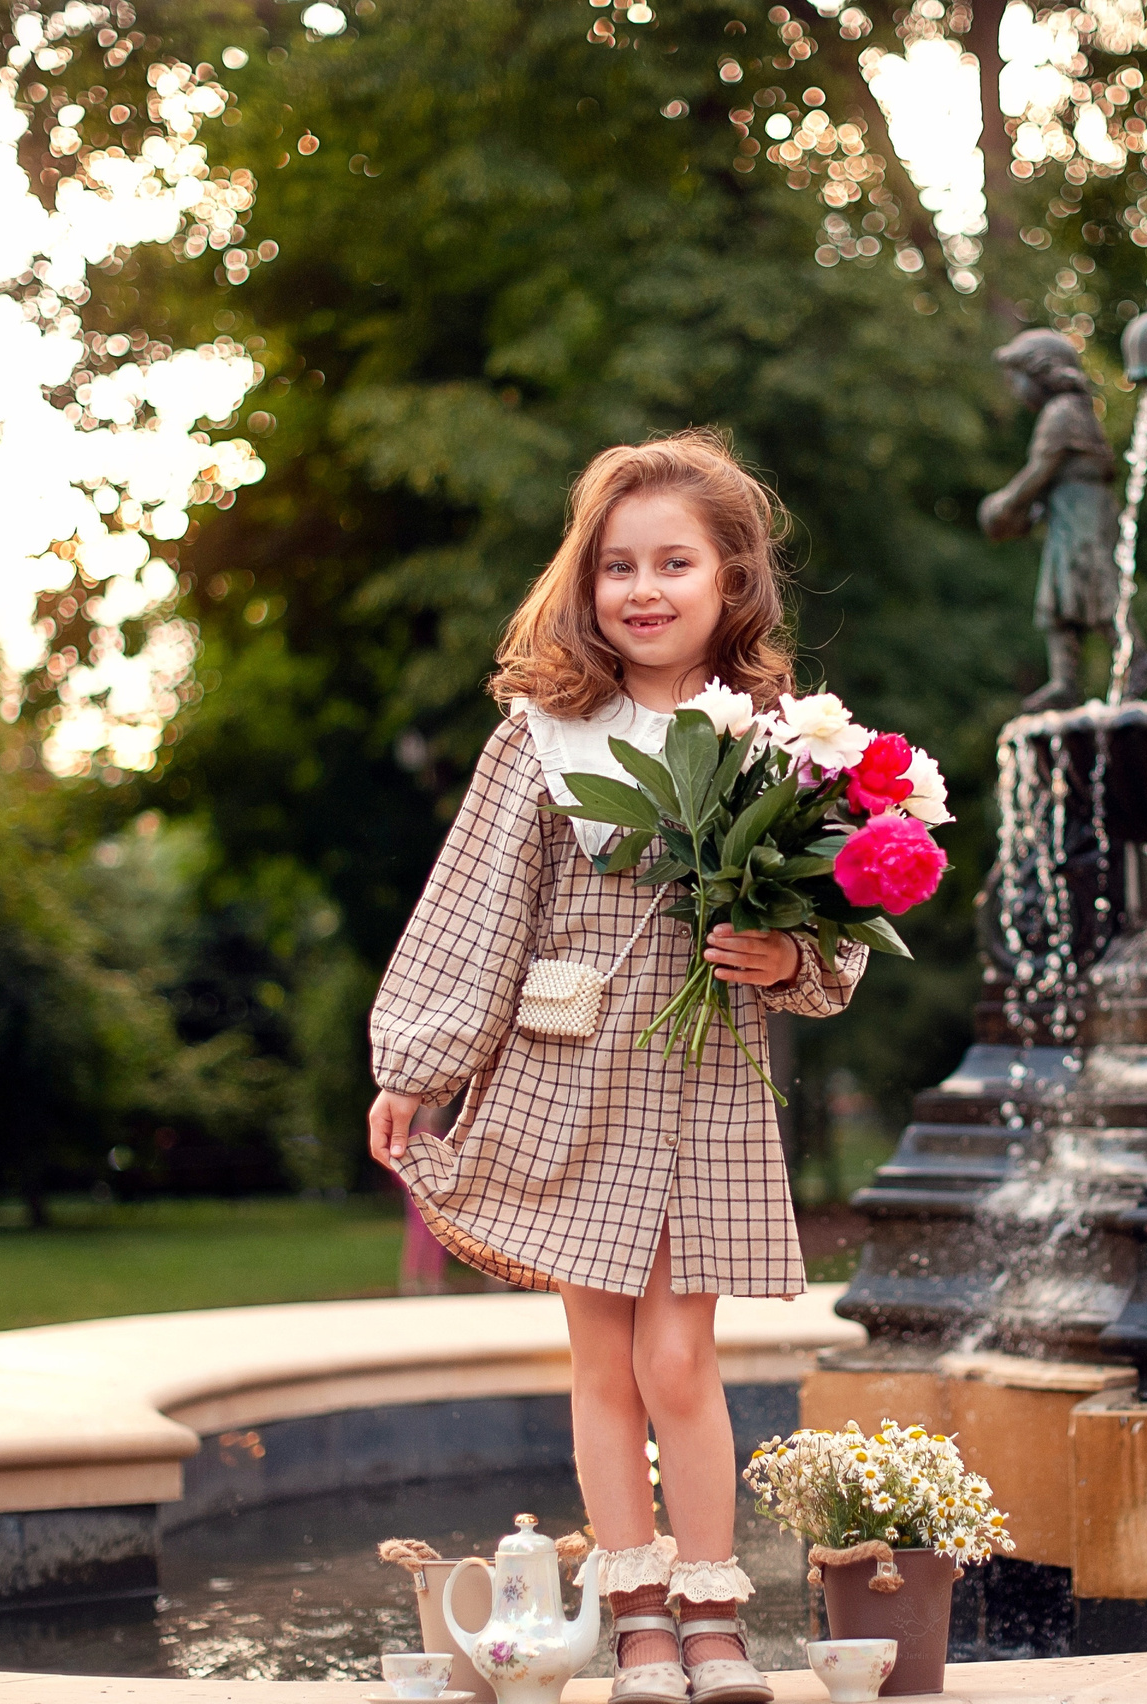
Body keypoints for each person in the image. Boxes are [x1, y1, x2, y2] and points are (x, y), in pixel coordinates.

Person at [366, 431, 868, 1704]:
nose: (643, 590)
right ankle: (635, 1614)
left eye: (674, 563)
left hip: (700, 1076)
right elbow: (477, 911)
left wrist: (780, 960)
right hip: (567, 1072)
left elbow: (832, 924)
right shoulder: (541, 739)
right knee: (602, 1358)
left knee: (679, 1361)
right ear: (585, 583)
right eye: (616, 567)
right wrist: (420, 1066)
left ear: (731, 579)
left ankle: (711, 1613)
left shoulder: (783, 744)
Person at [978, 328, 1147, 709]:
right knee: (1056, 599)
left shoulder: (1062, 413)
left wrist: (1003, 505)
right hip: (1068, 513)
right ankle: (1065, 681)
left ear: (1041, 373)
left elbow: (1039, 472)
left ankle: (1137, 657)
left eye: (1016, 378)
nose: (1013, 388)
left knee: (1093, 582)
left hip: (1084, 515)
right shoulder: (1069, 412)